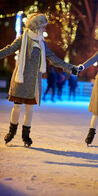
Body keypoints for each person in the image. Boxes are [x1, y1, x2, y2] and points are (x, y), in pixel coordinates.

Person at [0, 13, 77, 147]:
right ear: (36, 26)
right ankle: (11, 132)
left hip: (34, 82)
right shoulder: (22, 39)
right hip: (20, 79)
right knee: (17, 107)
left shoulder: (42, 44)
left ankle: (26, 135)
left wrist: (70, 68)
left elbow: (54, 59)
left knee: (29, 108)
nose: (45, 29)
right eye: (43, 26)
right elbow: (9, 50)